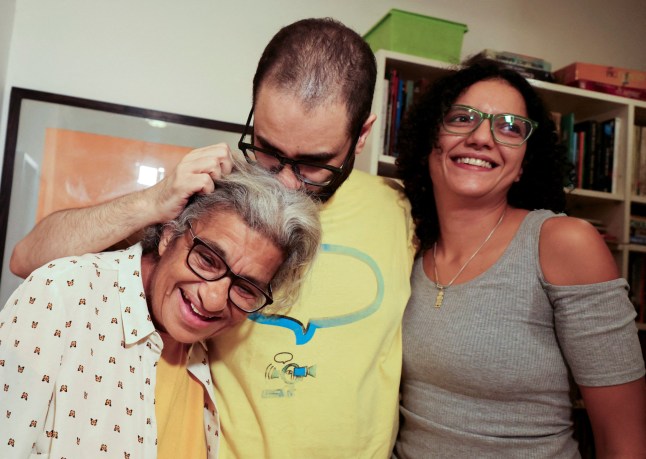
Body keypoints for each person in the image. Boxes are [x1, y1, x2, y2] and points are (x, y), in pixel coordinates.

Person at [10, 18, 415, 458]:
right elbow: (28, 259)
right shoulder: (217, 195)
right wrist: (152, 201)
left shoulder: (401, 211)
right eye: (268, 150)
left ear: (362, 135)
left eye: (314, 164)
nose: (285, 183)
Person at [394, 59, 646, 458]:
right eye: (462, 118)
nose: (482, 137)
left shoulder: (563, 243)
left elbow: (624, 442)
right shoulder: (404, 241)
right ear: (431, 139)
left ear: (523, 164)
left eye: (510, 127)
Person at [0, 161, 321, 458]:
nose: (213, 300)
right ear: (169, 236)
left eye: (245, 288)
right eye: (207, 259)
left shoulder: (212, 352)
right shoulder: (64, 294)